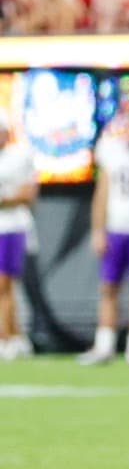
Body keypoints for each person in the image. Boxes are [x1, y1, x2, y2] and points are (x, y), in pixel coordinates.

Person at [79, 107, 129, 366]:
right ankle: (105, 344)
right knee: (109, 287)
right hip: (115, 227)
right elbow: (102, 193)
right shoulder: (111, 152)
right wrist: (98, 230)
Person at [0, 118, 35, 360]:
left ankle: (7, 337)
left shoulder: (19, 156)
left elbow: (28, 194)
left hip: (12, 227)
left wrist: (4, 199)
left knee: (5, 284)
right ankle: (15, 336)